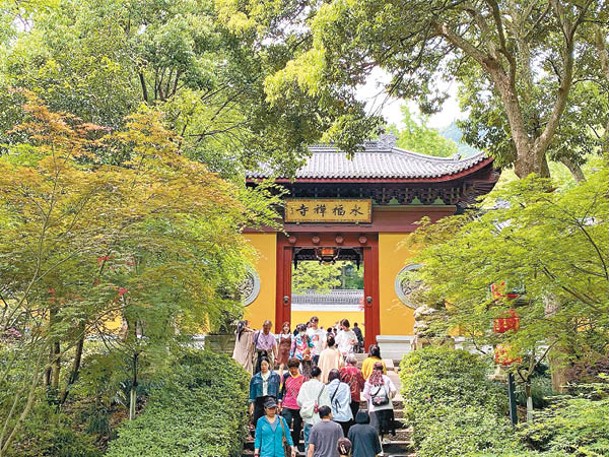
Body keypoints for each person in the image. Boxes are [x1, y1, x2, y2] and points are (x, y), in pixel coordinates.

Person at [297, 366, 330, 451]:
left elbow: (299, 401)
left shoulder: (305, 385)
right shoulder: (323, 387)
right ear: (319, 375)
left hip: (308, 418)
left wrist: (307, 405)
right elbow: (327, 405)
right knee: (320, 444)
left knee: (308, 443)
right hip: (319, 419)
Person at [363, 362, 397, 443]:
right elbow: (394, 390)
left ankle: (380, 447)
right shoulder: (386, 378)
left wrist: (371, 400)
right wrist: (390, 397)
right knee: (385, 426)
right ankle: (383, 440)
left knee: (376, 428)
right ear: (382, 369)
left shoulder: (369, 380)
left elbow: (365, 394)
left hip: (374, 408)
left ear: (373, 369)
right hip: (387, 407)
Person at [279, 358, 306, 451]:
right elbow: (281, 390)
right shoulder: (285, 376)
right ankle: (286, 443)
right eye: (291, 368)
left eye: (294, 368)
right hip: (287, 404)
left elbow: (304, 393)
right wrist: (279, 403)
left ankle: (295, 445)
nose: (293, 370)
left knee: (297, 426)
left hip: (298, 406)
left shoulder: (302, 379)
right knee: (286, 422)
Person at [249, 357, 282, 428]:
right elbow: (252, 391)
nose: (263, 367)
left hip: (271, 398)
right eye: (262, 365)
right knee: (257, 418)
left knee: (271, 418)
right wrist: (252, 402)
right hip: (259, 398)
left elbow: (278, 390)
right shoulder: (255, 378)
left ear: (269, 365)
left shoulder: (275, 376)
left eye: (265, 364)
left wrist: (278, 402)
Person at [326, 368, 353, 436]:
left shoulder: (327, 388)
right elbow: (349, 401)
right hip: (346, 416)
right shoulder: (346, 386)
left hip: (334, 417)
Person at [340, 355, 366, 420]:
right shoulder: (358, 371)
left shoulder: (342, 370)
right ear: (355, 362)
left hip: (344, 395)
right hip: (355, 395)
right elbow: (362, 383)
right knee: (354, 413)